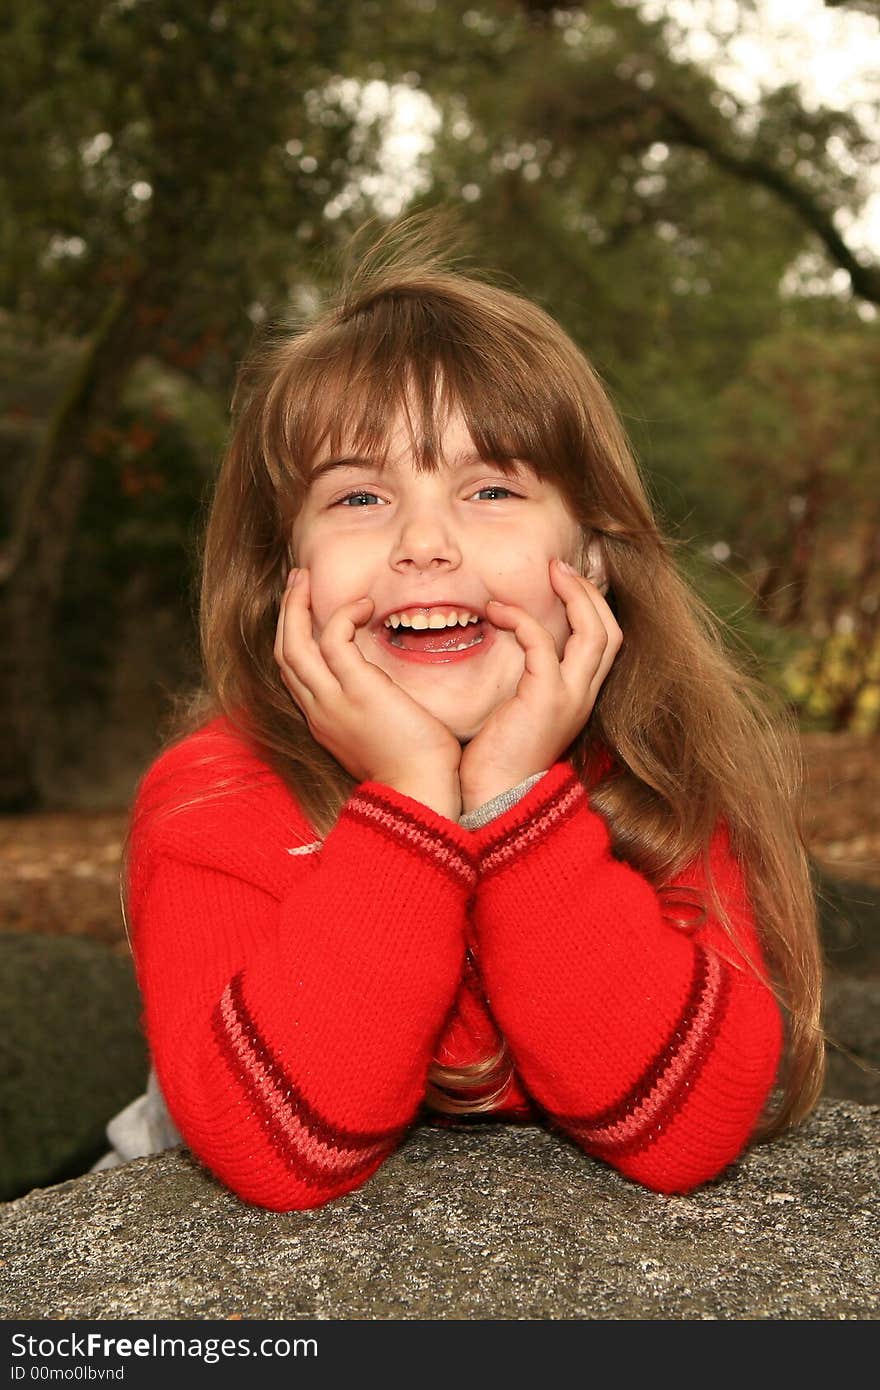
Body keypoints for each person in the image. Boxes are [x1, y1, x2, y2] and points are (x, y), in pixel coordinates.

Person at [92, 214, 824, 1211]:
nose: (424, 542)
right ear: (282, 576)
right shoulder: (214, 799)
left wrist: (515, 802)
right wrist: (409, 800)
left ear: (592, 560)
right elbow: (285, 1156)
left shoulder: (661, 780)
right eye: (358, 499)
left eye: (489, 488)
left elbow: (688, 1129)